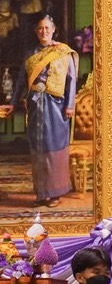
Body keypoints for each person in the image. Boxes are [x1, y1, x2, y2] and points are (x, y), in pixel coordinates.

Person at [1, 13, 77, 207]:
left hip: (56, 106)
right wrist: (13, 102)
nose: (44, 32)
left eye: (47, 28)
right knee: (38, 151)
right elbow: (21, 81)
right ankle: (41, 194)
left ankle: (55, 194)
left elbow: (71, 80)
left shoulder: (63, 52)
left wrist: (70, 105)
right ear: (36, 32)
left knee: (54, 149)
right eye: (40, 29)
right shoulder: (30, 54)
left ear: (54, 30)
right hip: (35, 105)